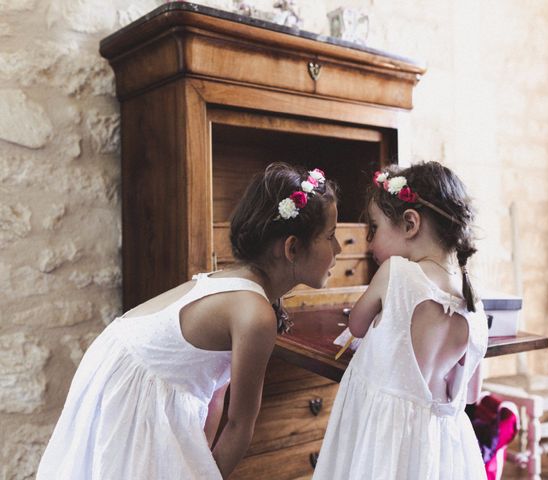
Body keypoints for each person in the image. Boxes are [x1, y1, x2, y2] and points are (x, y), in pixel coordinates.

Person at [37, 163, 341, 480]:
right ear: (292, 247)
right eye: (330, 236)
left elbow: (214, 395)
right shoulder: (255, 314)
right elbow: (239, 425)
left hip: (118, 360)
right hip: (131, 383)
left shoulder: (242, 288)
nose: (337, 248)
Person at [313, 161, 489, 480]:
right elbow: (472, 393)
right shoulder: (473, 300)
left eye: (374, 229)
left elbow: (356, 326)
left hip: (386, 434)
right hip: (441, 444)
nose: (369, 243)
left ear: (410, 224)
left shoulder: (397, 273)